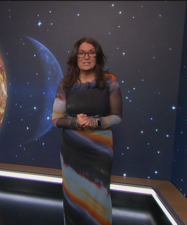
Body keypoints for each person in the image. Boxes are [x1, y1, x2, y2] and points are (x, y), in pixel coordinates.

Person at [52, 36, 122, 225]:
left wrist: (95, 123)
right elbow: (56, 120)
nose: (86, 56)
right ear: (75, 57)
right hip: (72, 151)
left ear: (97, 57)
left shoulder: (110, 81)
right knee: (74, 197)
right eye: (82, 53)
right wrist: (76, 123)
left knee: (99, 196)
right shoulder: (66, 84)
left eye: (91, 52)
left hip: (100, 150)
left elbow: (117, 116)